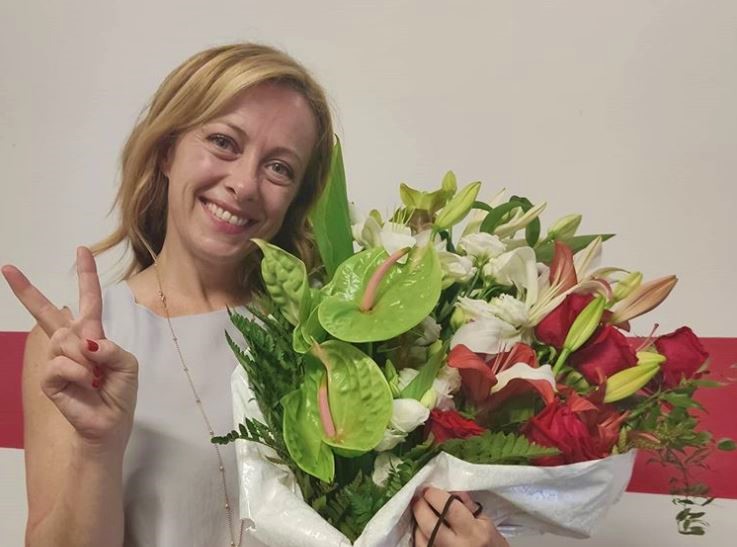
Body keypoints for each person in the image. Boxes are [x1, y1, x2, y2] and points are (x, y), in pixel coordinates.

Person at [2, 43, 507, 547]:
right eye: (223, 142)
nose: (244, 184)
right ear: (166, 151)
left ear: (296, 199)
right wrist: (97, 448)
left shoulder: (335, 333)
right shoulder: (79, 348)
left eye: (279, 168)